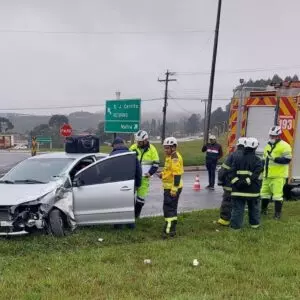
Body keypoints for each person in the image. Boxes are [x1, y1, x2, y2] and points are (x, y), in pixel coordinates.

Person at [230, 137, 264, 230]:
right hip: (253, 191)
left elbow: (231, 173)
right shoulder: (258, 160)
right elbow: (256, 175)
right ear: (255, 148)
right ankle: (254, 226)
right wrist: (246, 182)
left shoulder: (237, 158)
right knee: (254, 209)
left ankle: (235, 228)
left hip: (238, 190)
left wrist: (237, 183)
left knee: (238, 209)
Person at [110, 137, 142, 229]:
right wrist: (138, 184)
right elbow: (138, 171)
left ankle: (119, 226)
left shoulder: (112, 155)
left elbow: (107, 171)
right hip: (130, 185)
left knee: (118, 205)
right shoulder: (131, 155)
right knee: (129, 205)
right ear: (123, 144)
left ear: (115, 145)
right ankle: (131, 225)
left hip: (116, 185)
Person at [260, 126, 292, 219]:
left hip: (278, 175)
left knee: (277, 196)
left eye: (274, 136)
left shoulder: (285, 145)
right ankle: (263, 210)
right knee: (264, 194)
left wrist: (275, 159)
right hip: (267, 175)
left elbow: (287, 159)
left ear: (279, 135)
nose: (272, 137)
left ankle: (277, 214)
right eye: (271, 136)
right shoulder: (268, 145)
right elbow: (264, 159)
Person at [217, 137, 247, 226]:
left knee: (227, 202)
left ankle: (225, 220)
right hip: (242, 185)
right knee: (239, 204)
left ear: (238, 145)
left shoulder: (232, 155)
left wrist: (220, 179)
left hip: (230, 184)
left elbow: (224, 169)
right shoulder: (248, 156)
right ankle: (236, 221)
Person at [129, 130, 160, 218]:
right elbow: (127, 159)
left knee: (140, 199)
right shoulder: (133, 147)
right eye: (137, 141)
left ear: (145, 140)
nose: (138, 143)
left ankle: (136, 216)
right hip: (134, 177)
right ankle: (130, 216)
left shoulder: (152, 149)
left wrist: (150, 173)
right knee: (129, 197)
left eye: (140, 142)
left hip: (144, 178)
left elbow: (156, 163)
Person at [158, 137, 184, 239]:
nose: (165, 150)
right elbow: (169, 170)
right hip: (170, 187)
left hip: (172, 188)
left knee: (168, 208)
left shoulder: (174, 157)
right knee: (171, 208)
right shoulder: (170, 156)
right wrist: (162, 174)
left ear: (173, 147)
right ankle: (172, 229)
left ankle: (168, 231)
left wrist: (174, 189)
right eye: (165, 148)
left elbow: (177, 174)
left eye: (167, 148)